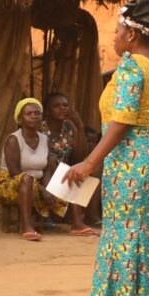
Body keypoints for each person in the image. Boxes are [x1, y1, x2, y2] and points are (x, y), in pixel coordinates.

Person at [62, 0, 149, 296]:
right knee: (147, 237)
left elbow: (123, 120)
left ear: (131, 34)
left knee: (123, 237)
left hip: (132, 159)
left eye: (117, 31)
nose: (114, 38)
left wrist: (90, 162)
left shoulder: (132, 67)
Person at [0, 98, 67, 241]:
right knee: (26, 178)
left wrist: (47, 187)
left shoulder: (44, 139)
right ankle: (26, 226)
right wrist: (41, 189)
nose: (34, 116)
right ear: (20, 118)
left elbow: (46, 168)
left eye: (37, 113)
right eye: (29, 113)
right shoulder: (13, 140)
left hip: (36, 184)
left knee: (69, 178)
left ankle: (77, 223)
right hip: (9, 185)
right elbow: (15, 173)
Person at [41, 92, 99, 234]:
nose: (62, 108)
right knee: (55, 163)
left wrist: (79, 126)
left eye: (65, 105)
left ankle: (90, 215)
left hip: (64, 170)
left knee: (93, 167)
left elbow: (80, 155)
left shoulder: (69, 126)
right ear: (47, 111)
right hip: (45, 171)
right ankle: (76, 222)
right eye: (57, 106)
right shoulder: (41, 128)